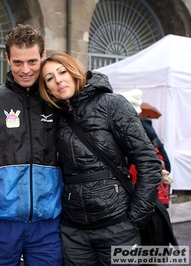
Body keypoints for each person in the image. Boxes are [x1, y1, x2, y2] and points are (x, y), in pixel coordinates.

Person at [38, 52, 162, 265]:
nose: (57, 80)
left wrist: (136, 219)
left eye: (62, 71)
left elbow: (148, 162)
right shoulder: (54, 116)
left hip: (118, 225)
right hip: (74, 231)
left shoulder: (111, 104)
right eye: (49, 78)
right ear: (46, 88)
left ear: (75, 71)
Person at [0, 24, 64, 266]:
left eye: (33, 61)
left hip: (48, 223)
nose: (26, 70)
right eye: (18, 62)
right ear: (7, 58)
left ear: (43, 56)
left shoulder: (59, 102)